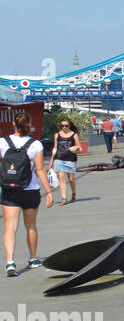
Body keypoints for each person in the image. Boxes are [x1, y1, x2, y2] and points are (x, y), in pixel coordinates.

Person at [2, 112, 55, 277]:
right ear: (29, 124)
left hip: (9, 189)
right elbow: (39, 169)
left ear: (13, 123)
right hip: (30, 190)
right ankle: (32, 259)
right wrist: (48, 191)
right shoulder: (35, 144)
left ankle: (10, 262)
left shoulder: (3, 142)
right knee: (31, 226)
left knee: (10, 228)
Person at [51, 118, 81, 205]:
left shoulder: (74, 135)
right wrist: (52, 160)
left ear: (69, 126)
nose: (64, 127)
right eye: (62, 126)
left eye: (66, 126)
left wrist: (74, 149)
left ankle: (74, 193)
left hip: (70, 159)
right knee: (61, 177)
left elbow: (80, 149)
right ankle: (63, 198)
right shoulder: (57, 135)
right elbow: (55, 148)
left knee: (71, 179)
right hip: (59, 158)